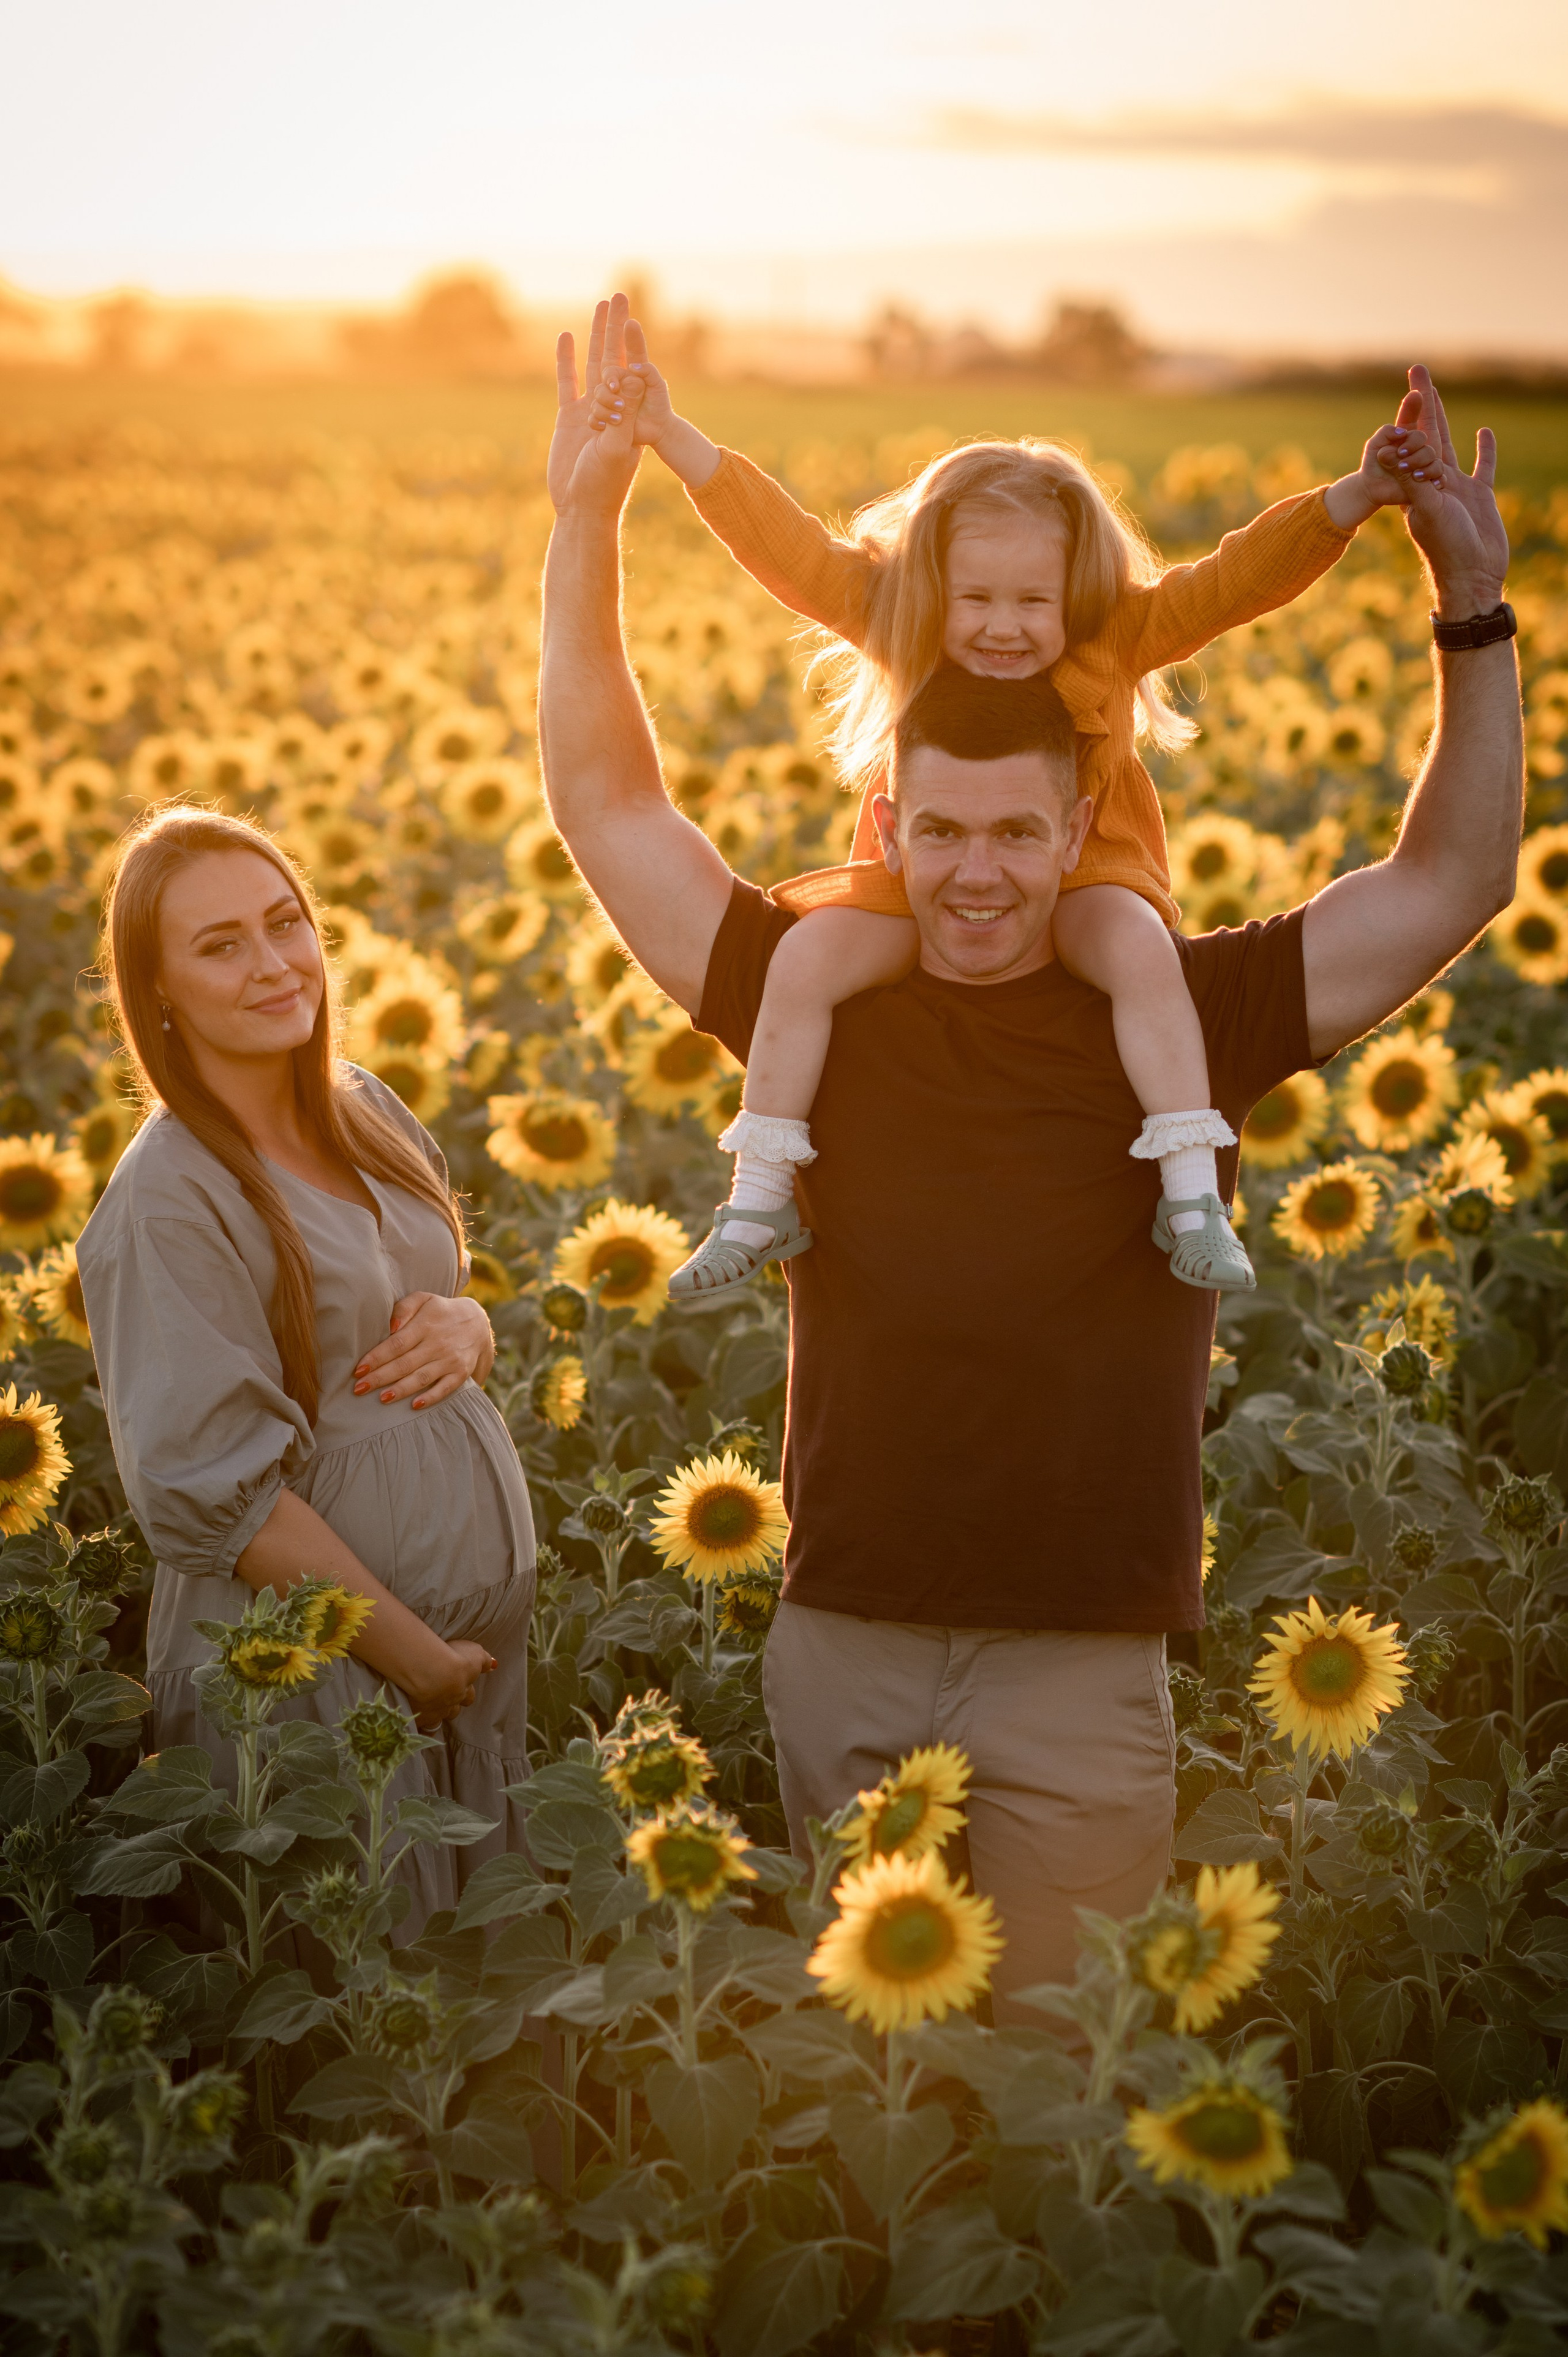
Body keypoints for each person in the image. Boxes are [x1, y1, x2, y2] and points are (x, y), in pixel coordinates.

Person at [540, 307, 1521, 2021]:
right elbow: (612, 804)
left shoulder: (1181, 1011)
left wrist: (1470, 610)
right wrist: (587, 519)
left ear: (1082, 826)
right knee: (857, 2077)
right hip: (842, 1638)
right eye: (938, 833)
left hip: (1083, 1660)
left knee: (1067, 2081)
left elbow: (1452, 882)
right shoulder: (813, 996)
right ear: (883, 821)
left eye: (1016, 835)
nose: (978, 874)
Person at [587, 322, 1445, 1301]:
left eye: (1034, 601)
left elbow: (1233, 581)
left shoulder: (1117, 638)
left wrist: (1353, 497)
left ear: (1075, 592)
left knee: (1135, 951)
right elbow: (790, 551)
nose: (1003, 628)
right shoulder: (900, 628)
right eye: (977, 598)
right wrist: (677, 439)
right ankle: (760, 1194)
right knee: (807, 958)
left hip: (1093, 874)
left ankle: (1191, 1193)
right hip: (918, 883)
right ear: (931, 589)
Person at [77, 807, 535, 1920]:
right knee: (379, 2010)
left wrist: (473, 1330)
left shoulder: (361, 1105)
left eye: (286, 923)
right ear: (161, 993)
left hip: (456, 1669)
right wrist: (414, 1657)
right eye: (220, 944)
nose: (276, 964)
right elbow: (220, 1494)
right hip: (310, 1670)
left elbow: (419, 1300)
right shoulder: (168, 1198)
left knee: (492, 2007)